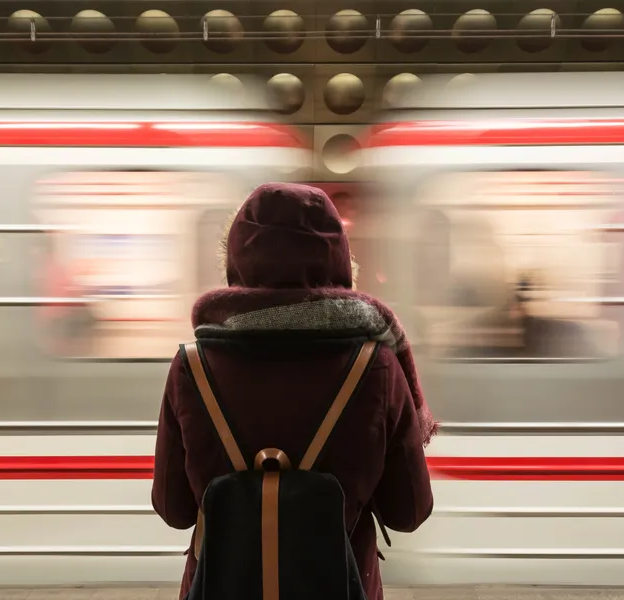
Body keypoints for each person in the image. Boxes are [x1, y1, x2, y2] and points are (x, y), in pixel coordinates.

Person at [152, 183, 436, 600]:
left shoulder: (192, 366)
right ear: (338, 259)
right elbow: (409, 511)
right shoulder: (376, 366)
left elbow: (173, 509)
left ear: (237, 260)